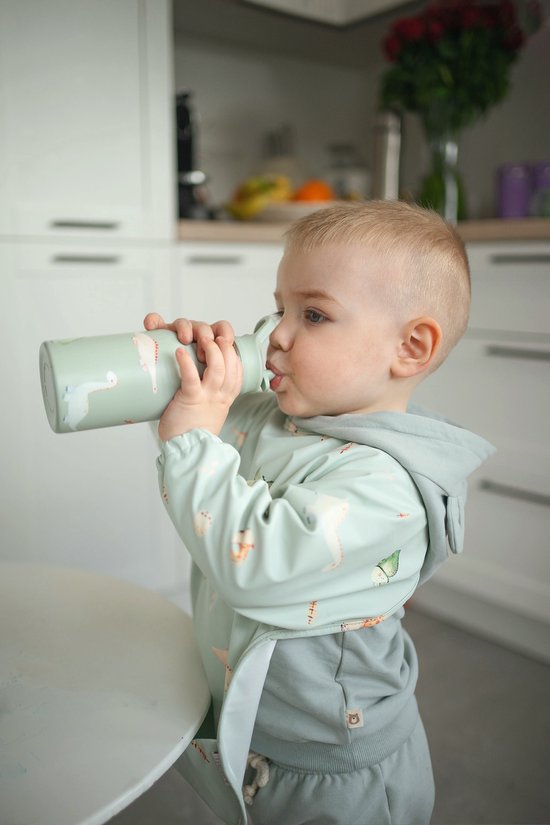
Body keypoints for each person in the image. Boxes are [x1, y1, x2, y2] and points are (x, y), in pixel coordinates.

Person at [144, 200, 494, 825]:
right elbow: (197, 451)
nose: (276, 333)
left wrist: (192, 439)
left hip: (335, 769)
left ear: (410, 347)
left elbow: (254, 562)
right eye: (279, 308)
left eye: (313, 314)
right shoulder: (281, 420)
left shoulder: (387, 489)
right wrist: (188, 379)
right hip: (257, 730)